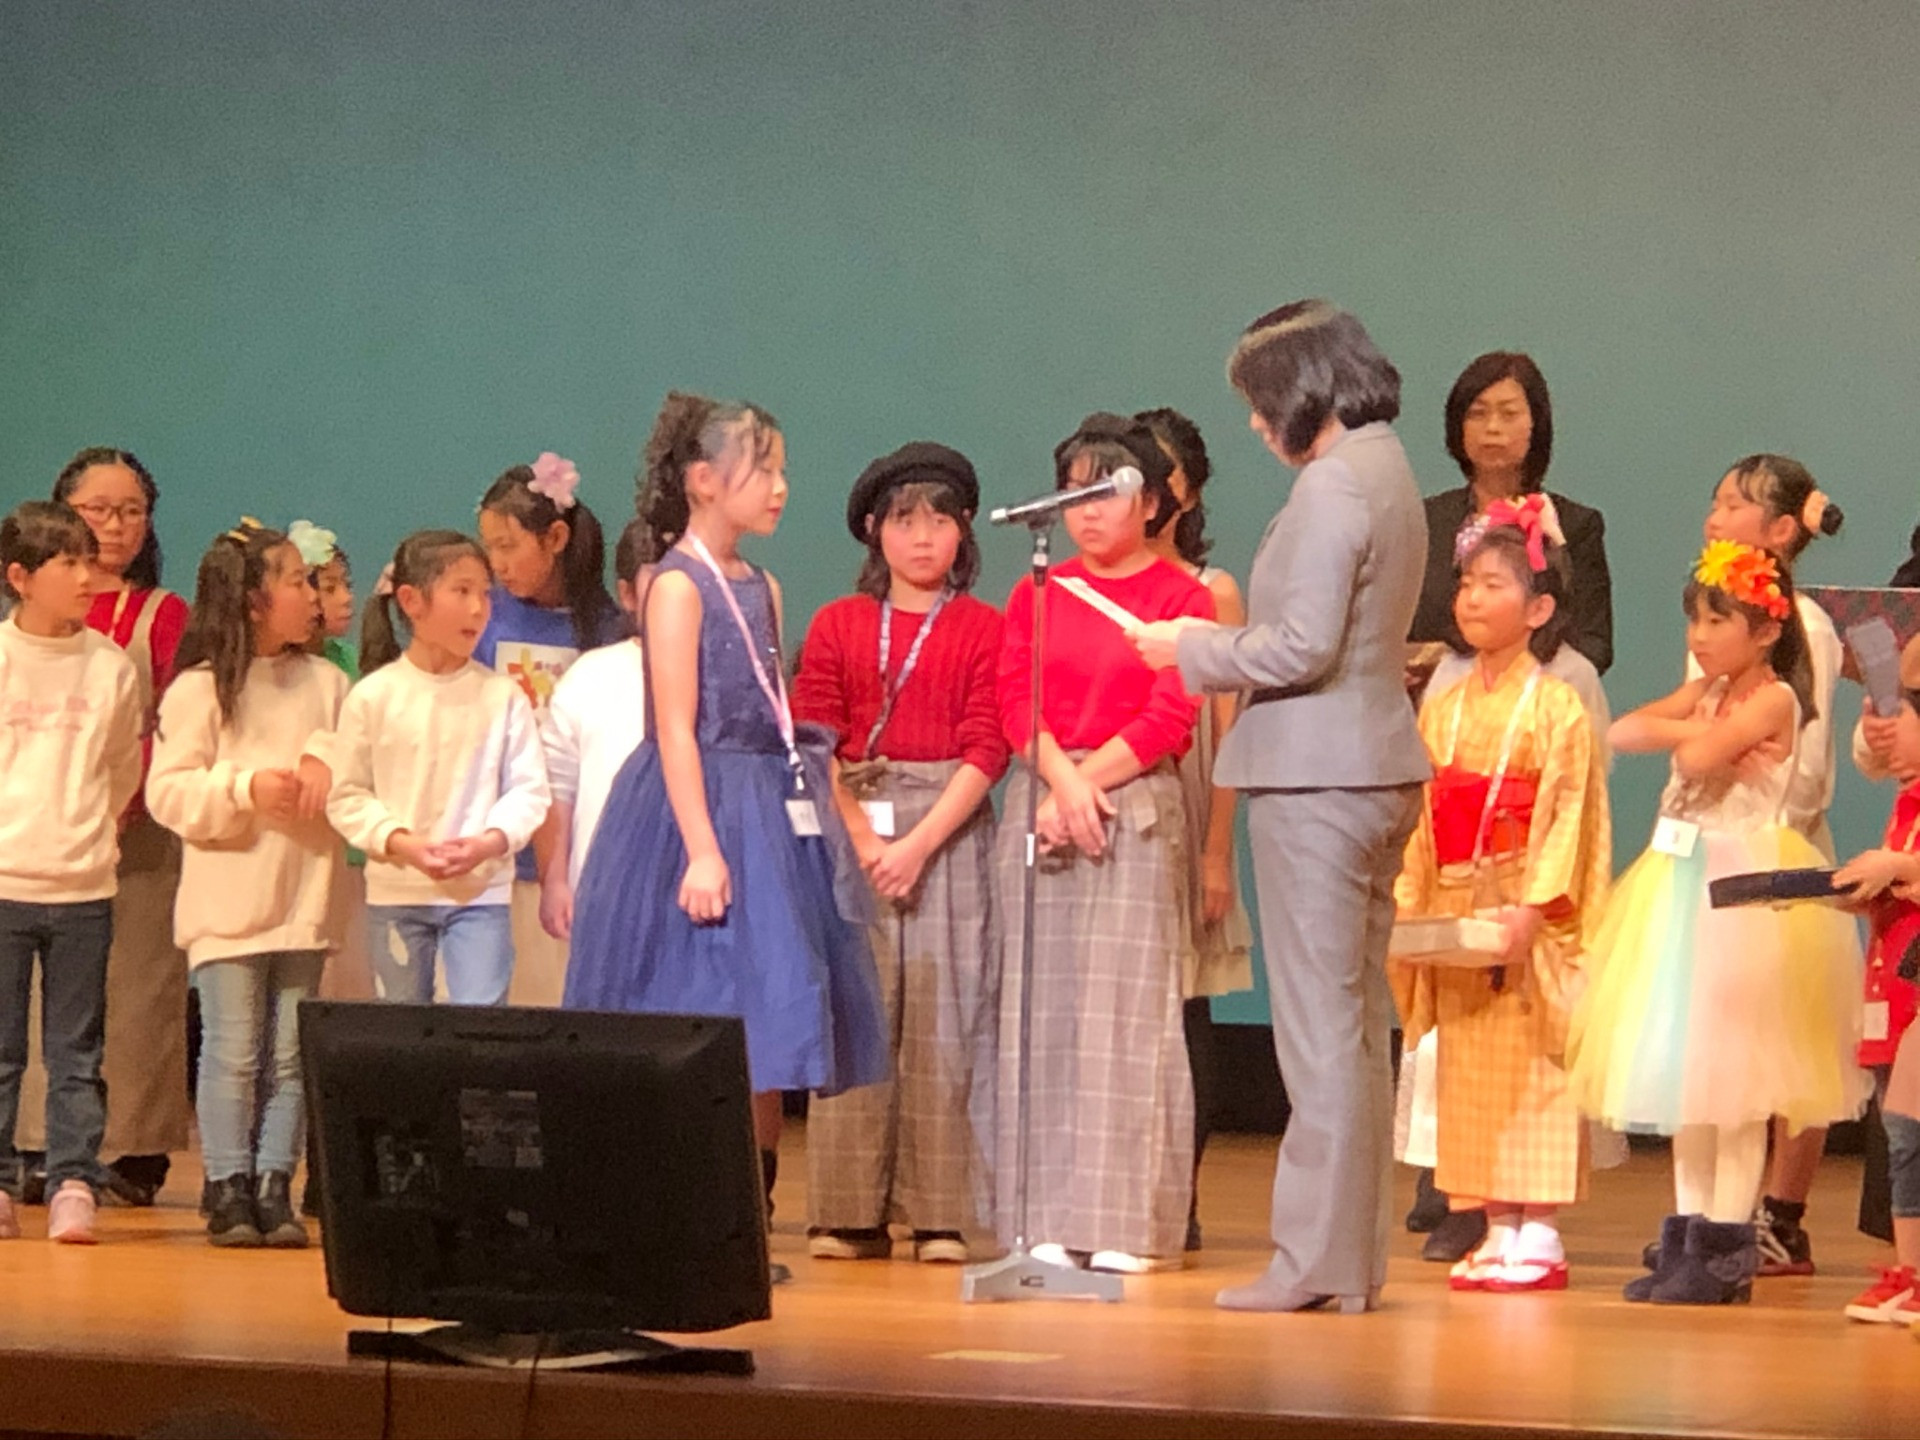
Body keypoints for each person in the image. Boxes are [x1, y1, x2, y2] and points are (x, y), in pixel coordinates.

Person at [1134, 300, 1430, 1314]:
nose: (1259, 427)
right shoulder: (1388, 467)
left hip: (1321, 779)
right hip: (1373, 766)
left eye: (1262, 405)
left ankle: (1313, 1264)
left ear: (1305, 391)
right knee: (1353, 1028)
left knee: (1319, 1033)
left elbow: (1300, 644)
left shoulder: (1334, 485)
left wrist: (1188, 648)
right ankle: (1348, 1264)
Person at [562, 393, 888, 1281]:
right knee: (685, 1009)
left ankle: (744, 1223)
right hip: (689, 813)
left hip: (765, 808)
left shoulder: (764, 587)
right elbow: (673, 727)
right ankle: (671, 1219)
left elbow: (775, 715)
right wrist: (703, 849)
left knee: (766, 1019)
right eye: (763, 469)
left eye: (781, 470)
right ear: (704, 480)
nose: (780, 487)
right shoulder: (675, 585)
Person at [1566, 539, 1865, 1305]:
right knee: (1691, 1085)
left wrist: (1700, 734)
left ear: (1765, 631)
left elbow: (1701, 760)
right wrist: (1695, 723)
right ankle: (1686, 1240)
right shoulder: (1708, 692)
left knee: (1733, 1088)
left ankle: (1726, 1248)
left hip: (1742, 892)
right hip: (1682, 889)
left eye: (1716, 621)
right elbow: (1626, 731)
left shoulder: (1777, 698)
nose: (1698, 637)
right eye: (1694, 620)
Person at [995, 413, 1212, 1275]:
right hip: (1046, 797)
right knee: (1042, 1013)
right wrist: (1061, 781)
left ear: (1152, 502)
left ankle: (1129, 1222)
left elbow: (1173, 712)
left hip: (1134, 801)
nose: (1087, 512)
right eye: (1074, 493)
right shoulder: (1037, 591)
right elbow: (1014, 696)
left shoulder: (1183, 600)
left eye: (1108, 492)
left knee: (1128, 1022)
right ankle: (1044, 1216)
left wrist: (1090, 783)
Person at [1389, 498, 1611, 1294]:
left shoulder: (1557, 705)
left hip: (1526, 904)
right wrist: (1412, 902)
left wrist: (1534, 906)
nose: (1473, 598)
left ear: (1540, 608)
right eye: (1467, 584)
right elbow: (1421, 817)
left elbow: (1570, 810)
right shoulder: (1444, 706)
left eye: (1494, 584)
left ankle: (1540, 1229)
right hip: (1456, 901)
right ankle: (1496, 1225)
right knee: (1470, 1068)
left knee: (1534, 1064)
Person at [794, 442, 1007, 1265]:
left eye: (940, 521)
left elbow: (989, 744)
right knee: (857, 1010)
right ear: (873, 531)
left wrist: (916, 845)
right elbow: (814, 738)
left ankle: (940, 1214)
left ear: (964, 531)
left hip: (950, 831)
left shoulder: (985, 627)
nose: (923, 538)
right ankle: (846, 1211)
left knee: (949, 1018)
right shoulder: (837, 623)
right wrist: (863, 837)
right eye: (905, 521)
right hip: (853, 825)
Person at [146, 521, 347, 1249]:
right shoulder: (200, 690)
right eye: (296, 581)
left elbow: (355, 756)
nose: (311, 596)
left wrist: (326, 763)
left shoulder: (328, 684)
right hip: (228, 904)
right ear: (254, 599)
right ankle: (227, 1181)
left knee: (291, 1052)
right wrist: (245, 787)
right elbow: (170, 793)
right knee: (234, 1048)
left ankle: (274, 1183)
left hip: (303, 898)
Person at [18, 449, 196, 1208]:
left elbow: (167, 722)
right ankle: (35, 1145)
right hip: (40, 831)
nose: (115, 526)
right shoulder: (24, 630)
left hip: (141, 828)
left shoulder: (164, 613)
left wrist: (118, 808)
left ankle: (132, 1148)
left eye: (132, 511)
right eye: (98, 510)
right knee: (41, 1002)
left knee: (139, 992)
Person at [1688, 455, 1846, 1276]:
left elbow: (1806, 768)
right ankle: (1716, 1214)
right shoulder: (1713, 621)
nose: (1715, 519)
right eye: (1714, 504)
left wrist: (1746, 758)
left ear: (1782, 531)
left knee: (1793, 1043)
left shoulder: (1805, 627)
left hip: (1781, 857)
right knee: (1728, 1037)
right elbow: (1695, 733)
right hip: (1718, 852)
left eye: (1733, 506)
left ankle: (1782, 1214)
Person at [322, 531, 551, 1006]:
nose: (478, 608)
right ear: (412, 601)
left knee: (479, 1030)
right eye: (461, 591)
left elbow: (529, 790)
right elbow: (348, 795)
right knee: (403, 1032)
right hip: (397, 893)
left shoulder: (503, 696)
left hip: (480, 895)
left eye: (484, 593)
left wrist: (488, 842)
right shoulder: (374, 696)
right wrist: (402, 843)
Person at [0, 502, 143, 1244]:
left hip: (84, 885)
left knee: (77, 1051)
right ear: (21, 577)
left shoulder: (110, 666)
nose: (87, 577)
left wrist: (89, 832)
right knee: (1, 1049)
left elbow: (121, 769)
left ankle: (73, 1181)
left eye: (89, 561)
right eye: (68, 563)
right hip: (4, 883)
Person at [1135, 406, 1255, 1252]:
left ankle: (1179, 1196)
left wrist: (1217, 852)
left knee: (1187, 1005)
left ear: (1191, 488)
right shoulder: (1089, 583)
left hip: (1186, 798)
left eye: (1166, 472)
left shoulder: (1214, 591)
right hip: (1116, 803)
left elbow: (1227, 733)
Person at [474, 455, 626, 1008]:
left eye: (508, 545)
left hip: (573, 860)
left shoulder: (607, 632)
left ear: (556, 538)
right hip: (494, 855)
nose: (497, 564)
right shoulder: (482, 619)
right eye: (489, 547)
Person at [1409, 352, 1612, 673]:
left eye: (1509, 413)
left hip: (1538, 697)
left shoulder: (1575, 526)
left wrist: (1506, 671)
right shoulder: (1425, 520)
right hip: (1434, 697)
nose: (1492, 427)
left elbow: (1594, 646)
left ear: (1536, 425)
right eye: (1477, 414)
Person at [1833, 633, 1920, 1324]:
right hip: (1898, 975)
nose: (1883, 734)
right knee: (1900, 1125)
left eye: (1900, 717)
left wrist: (1900, 869)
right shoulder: (1907, 802)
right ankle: (1909, 1267)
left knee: (1909, 1120)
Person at [536, 519, 651, 941]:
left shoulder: (725, 675)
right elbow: (558, 786)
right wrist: (555, 880)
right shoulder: (591, 675)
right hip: (605, 895)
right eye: (663, 585)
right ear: (628, 595)